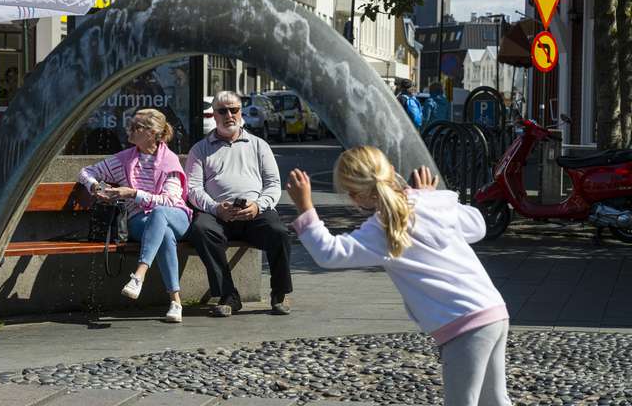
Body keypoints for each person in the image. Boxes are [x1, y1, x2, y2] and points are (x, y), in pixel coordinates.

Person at [286, 146, 511, 405]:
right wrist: (433, 198)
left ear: (354, 196)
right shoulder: (429, 202)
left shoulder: (382, 229)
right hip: (493, 310)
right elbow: (478, 227)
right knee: (494, 400)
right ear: (392, 170)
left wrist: (305, 207)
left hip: (463, 324)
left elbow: (329, 253)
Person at [185, 90, 292, 317]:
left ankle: (279, 293)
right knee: (201, 230)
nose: (229, 115)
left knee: (279, 232)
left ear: (240, 112)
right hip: (217, 213)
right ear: (214, 115)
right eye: (222, 111)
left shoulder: (259, 145)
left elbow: (273, 184)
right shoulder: (200, 149)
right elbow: (193, 189)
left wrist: (258, 206)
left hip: (254, 211)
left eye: (233, 110)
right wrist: (215, 208)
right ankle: (228, 295)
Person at [78, 108, 191, 323]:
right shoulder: (124, 160)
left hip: (176, 216)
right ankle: (175, 302)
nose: (128, 129)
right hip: (140, 221)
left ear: (152, 132)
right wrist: (95, 188)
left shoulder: (170, 162)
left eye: (135, 127)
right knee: (164, 234)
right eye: (129, 125)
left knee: (160, 214)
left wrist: (132, 193)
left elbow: (169, 201)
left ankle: (139, 274)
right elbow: (86, 172)